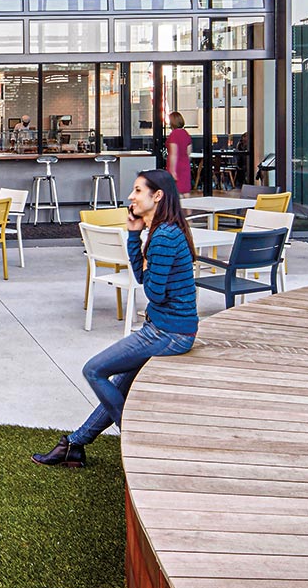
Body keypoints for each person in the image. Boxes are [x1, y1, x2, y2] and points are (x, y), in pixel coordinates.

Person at [34, 169, 197, 468]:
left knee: (94, 370)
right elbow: (141, 277)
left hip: (168, 333)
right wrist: (134, 235)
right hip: (166, 328)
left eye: (137, 190)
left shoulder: (164, 237)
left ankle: (136, 438)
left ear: (157, 195)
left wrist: (145, 255)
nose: (131, 197)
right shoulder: (164, 230)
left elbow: (154, 293)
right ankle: (74, 445)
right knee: (119, 385)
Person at [165, 111, 192, 193]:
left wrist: (172, 170)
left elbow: (173, 154)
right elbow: (188, 153)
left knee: (176, 192)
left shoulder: (174, 135)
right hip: (185, 165)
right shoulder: (186, 134)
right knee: (185, 191)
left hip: (176, 166)